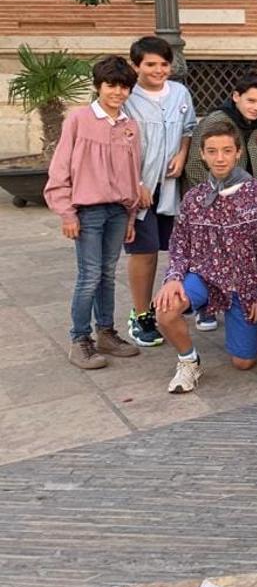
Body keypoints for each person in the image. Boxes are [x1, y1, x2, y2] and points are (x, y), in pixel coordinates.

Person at [152, 121, 257, 394]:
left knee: (243, 362)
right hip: (205, 277)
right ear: (202, 154)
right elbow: (179, 244)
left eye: (226, 150)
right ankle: (189, 361)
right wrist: (173, 278)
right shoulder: (194, 198)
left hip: (245, 285)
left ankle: (236, 320)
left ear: (238, 153)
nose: (219, 158)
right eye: (212, 151)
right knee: (165, 311)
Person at [45, 56, 143, 369]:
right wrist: (67, 212)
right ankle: (79, 339)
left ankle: (106, 333)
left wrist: (130, 215)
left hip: (117, 211)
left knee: (107, 275)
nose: (118, 92)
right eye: (111, 85)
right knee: (89, 276)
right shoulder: (79, 119)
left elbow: (131, 173)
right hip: (87, 212)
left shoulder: (130, 126)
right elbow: (60, 167)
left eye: (124, 86)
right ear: (98, 86)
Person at [123, 36, 197, 349]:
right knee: (145, 251)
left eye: (164, 64)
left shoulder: (180, 92)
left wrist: (182, 154)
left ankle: (165, 304)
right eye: (150, 64)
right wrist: (135, 184)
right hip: (138, 188)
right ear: (136, 66)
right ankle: (140, 314)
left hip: (169, 188)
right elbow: (119, 145)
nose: (158, 70)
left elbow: (188, 129)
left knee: (174, 250)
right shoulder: (127, 97)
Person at [184, 72, 257, 192]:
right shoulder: (215, 121)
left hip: (250, 195)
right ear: (236, 97)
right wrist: (216, 196)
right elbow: (195, 165)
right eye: (251, 101)